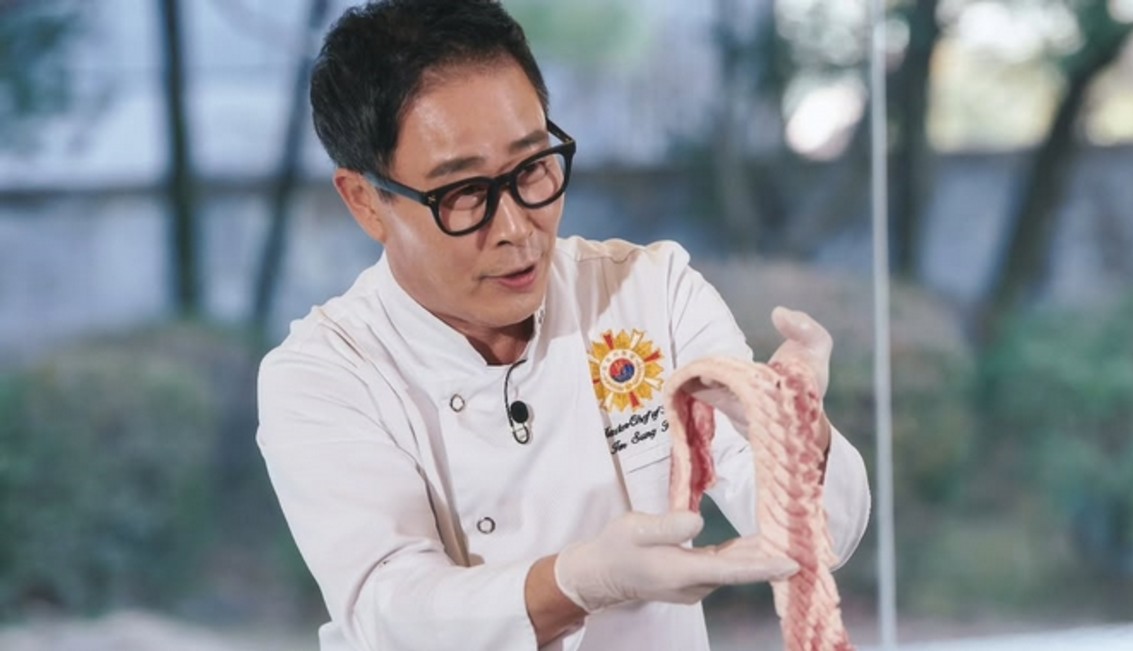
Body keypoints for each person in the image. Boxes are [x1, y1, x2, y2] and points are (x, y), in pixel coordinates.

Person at [256, 1, 871, 649]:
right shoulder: (325, 374)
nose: (516, 228)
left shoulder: (649, 292)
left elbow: (821, 533)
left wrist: (792, 429)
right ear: (365, 201)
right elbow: (390, 610)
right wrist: (581, 582)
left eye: (531, 168)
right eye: (463, 193)